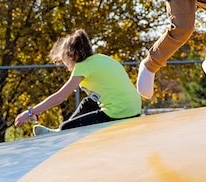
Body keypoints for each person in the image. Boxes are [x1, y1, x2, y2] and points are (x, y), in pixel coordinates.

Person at [14, 29, 142, 136]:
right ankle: (63, 130)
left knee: (66, 128)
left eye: (64, 59)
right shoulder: (102, 58)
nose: (64, 64)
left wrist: (30, 112)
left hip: (119, 112)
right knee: (88, 102)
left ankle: (63, 132)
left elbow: (60, 97)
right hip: (134, 108)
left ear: (71, 55)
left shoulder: (82, 66)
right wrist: (40, 109)